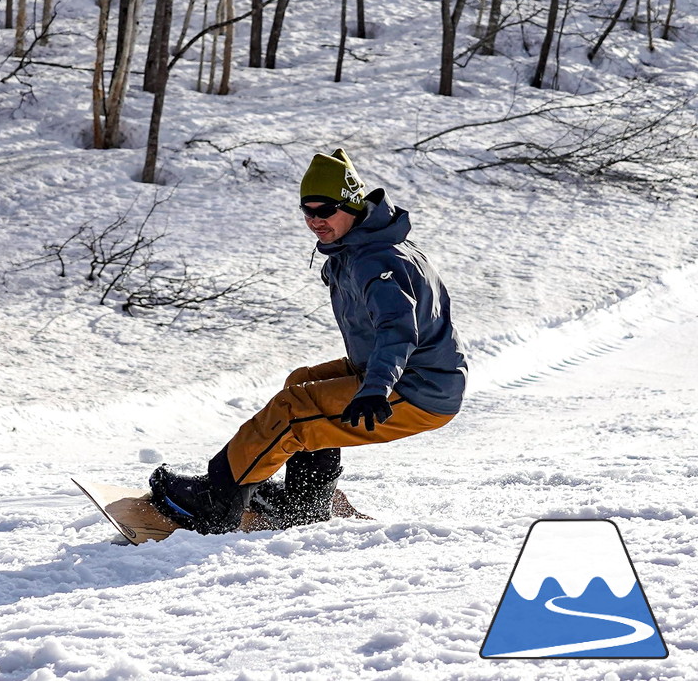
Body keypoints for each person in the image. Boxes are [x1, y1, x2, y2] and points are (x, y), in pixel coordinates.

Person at [150, 148, 467, 534]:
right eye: (308, 210)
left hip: (416, 387)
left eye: (326, 210)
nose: (316, 220)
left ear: (351, 204)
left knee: (292, 409)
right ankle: (307, 500)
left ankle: (218, 502)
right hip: (409, 372)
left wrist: (376, 389)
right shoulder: (361, 246)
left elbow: (397, 330)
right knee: (301, 382)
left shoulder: (377, 258)